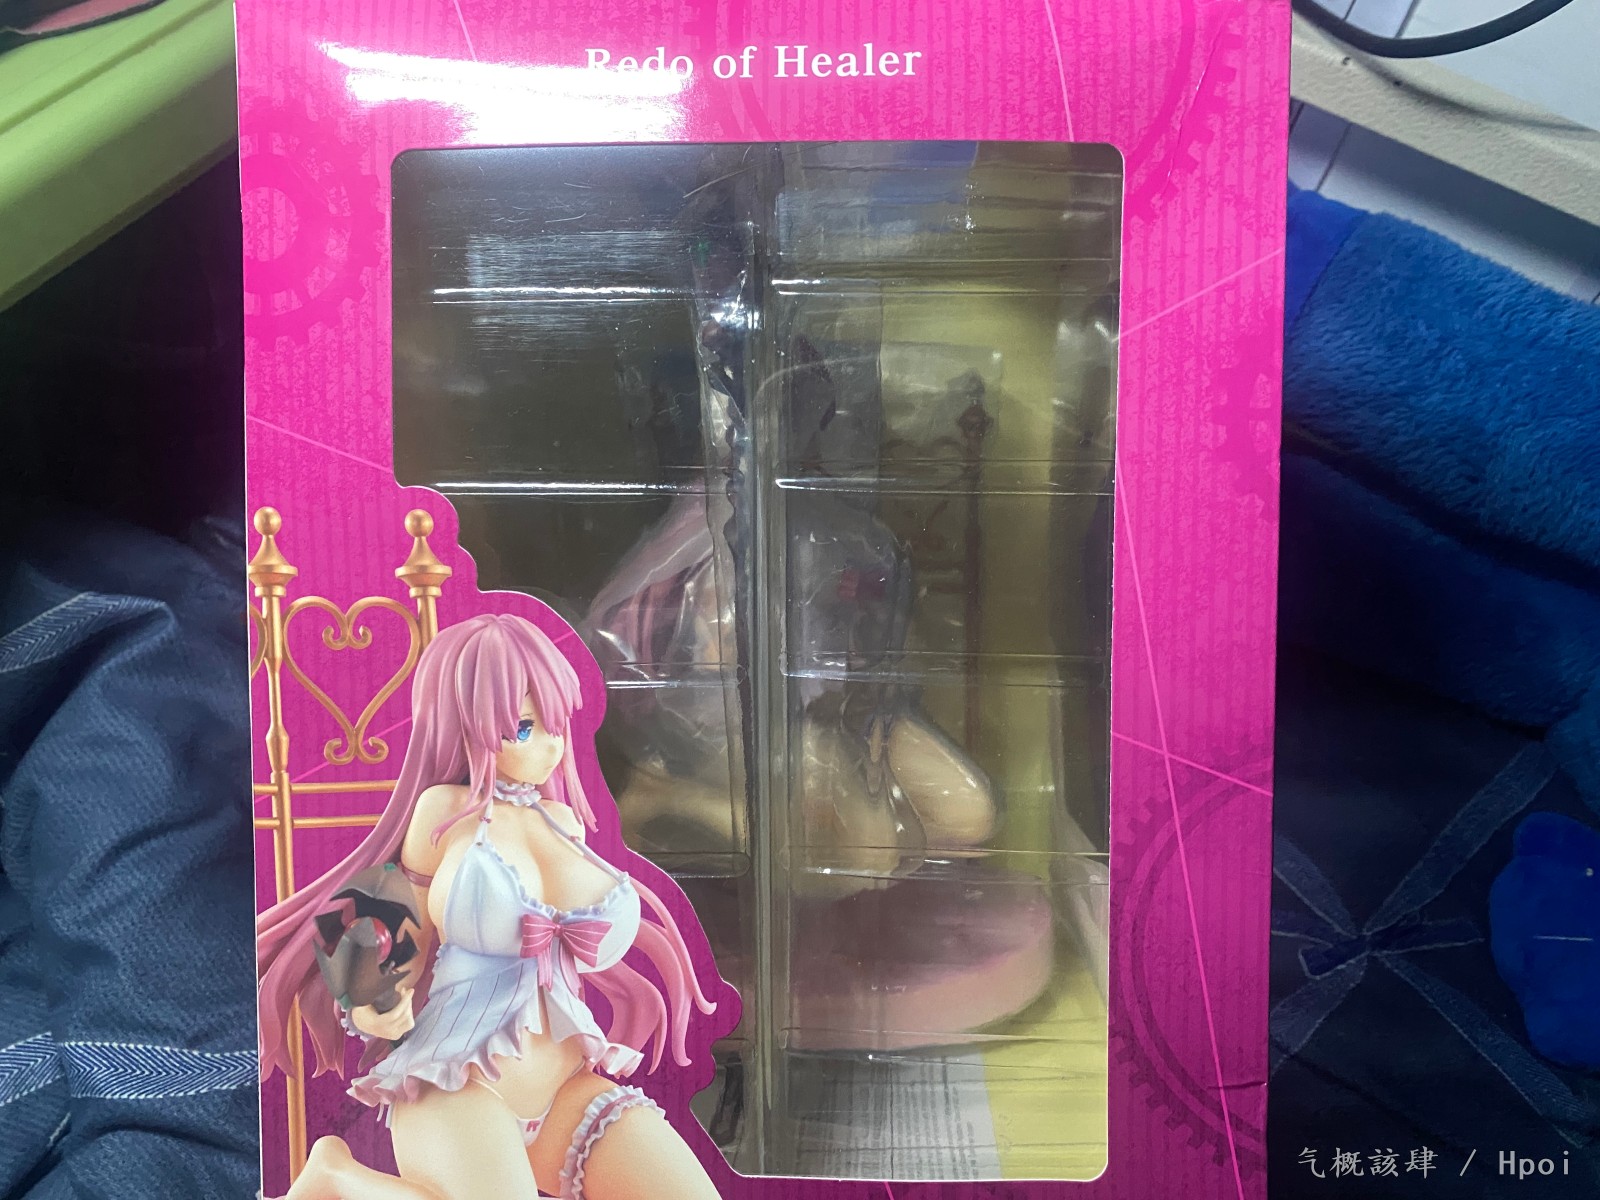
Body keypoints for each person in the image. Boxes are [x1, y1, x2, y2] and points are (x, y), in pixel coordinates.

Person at [256, 613, 722, 1200]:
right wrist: (375, 998)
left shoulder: (564, 822)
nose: (550, 746)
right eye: (524, 728)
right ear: (466, 724)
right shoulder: (444, 813)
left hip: (566, 1089)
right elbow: (402, 917)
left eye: (556, 724)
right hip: (458, 1084)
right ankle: (337, 1176)